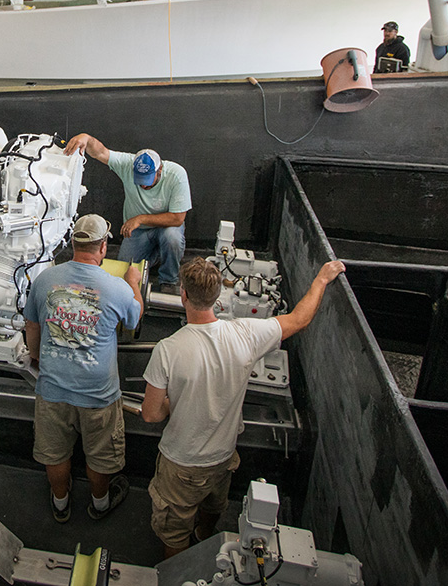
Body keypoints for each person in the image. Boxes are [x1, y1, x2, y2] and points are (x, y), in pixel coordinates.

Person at [141, 257, 346, 558]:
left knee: (173, 528)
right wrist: (322, 279)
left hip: (181, 463)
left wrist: (176, 402)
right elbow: (300, 318)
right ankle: (203, 535)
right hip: (223, 457)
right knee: (213, 506)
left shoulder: (167, 350)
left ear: (183, 294)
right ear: (215, 297)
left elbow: (151, 414)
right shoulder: (247, 334)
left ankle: (180, 570)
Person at [24, 214, 145, 523]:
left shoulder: (45, 280)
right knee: (100, 455)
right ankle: (100, 505)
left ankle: (60, 504)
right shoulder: (116, 288)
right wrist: (134, 285)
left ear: (73, 244)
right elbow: (134, 320)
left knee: (56, 453)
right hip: (98, 394)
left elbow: (32, 328)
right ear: (103, 247)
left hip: (52, 388)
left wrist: (38, 358)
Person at [64, 133, 191, 295]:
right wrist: (86, 138)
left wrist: (140, 218)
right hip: (138, 231)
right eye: (140, 180)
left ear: (160, 170)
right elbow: (100, 152)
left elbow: (178, 218)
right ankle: (155, 256)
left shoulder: (177, 175)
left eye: (148, 180)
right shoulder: (127, 164)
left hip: (166, 227)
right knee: (124, 266)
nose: (144, 186)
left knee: (172, 238)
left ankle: (168, 279)